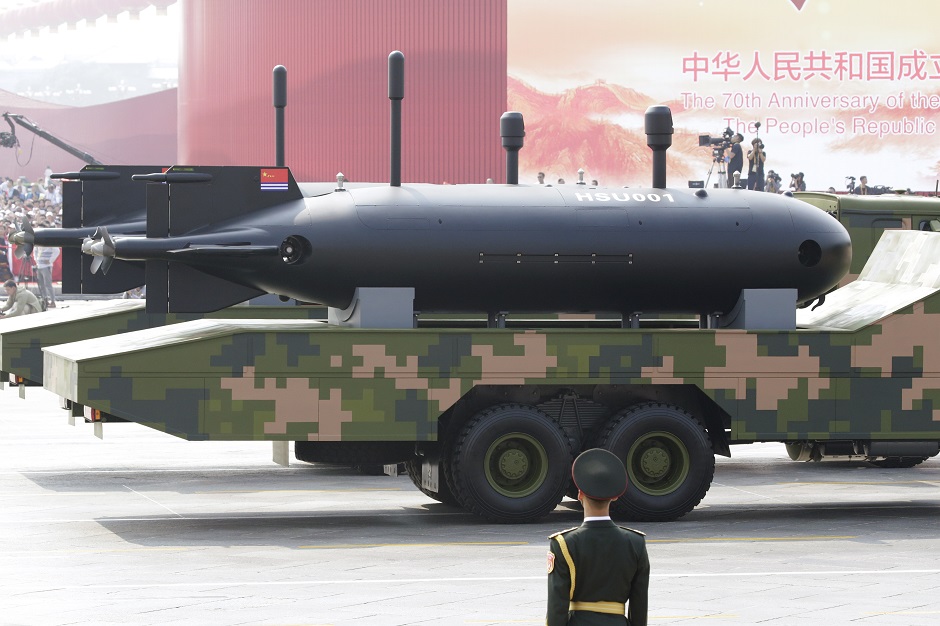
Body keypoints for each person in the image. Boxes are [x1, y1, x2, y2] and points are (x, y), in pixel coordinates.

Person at [547, 449, 650, 626]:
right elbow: (639, 606)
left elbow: (557, 607)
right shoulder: (636, 543)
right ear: (615, 496)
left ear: (579, 495)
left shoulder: (564, 543)